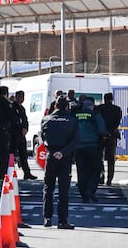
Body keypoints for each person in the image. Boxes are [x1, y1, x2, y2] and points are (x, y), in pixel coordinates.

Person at [41, 96, 79, 229]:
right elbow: (75, 140)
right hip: (65, 157)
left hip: (51, 156)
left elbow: (43, 137)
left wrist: (52, 151)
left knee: (48, 188)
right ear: (67, 107)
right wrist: (63, 152)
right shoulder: (73, 121)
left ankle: (47, 218)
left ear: (55, 106)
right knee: (63, 190)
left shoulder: (46, 120)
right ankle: (62, 221)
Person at [74, 97, 108, 203]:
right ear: (91, 106)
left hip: (78, 147)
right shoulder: (95, 115)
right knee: (95, 169)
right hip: (92, 146)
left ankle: (83, 194)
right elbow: (102, 130)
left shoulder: (75, 115)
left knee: (81, 171)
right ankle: (90, 190)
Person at [96, 92, 122, 186]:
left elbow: (97, 122)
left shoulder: (98, 109)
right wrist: (110, 132)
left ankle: (101, 176)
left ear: (104, 98)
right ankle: (109, 179)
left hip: (100, 136)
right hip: (112, 135)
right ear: (112, 99)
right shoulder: (117, 109)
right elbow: (117, 122)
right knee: (111, 159)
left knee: (99, 157)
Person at [11, 90, 37, 180]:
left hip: (21, 135)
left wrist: (26, 129)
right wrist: (20, 129)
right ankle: (8, 172)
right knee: (11, 154)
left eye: (22, 97)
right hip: (13, 135)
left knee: (23, 154)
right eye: (19, 97)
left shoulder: (22, 108)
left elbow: (25, 120)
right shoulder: (12, 107)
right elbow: (13, 121)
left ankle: (27, 173)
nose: (21, 99)